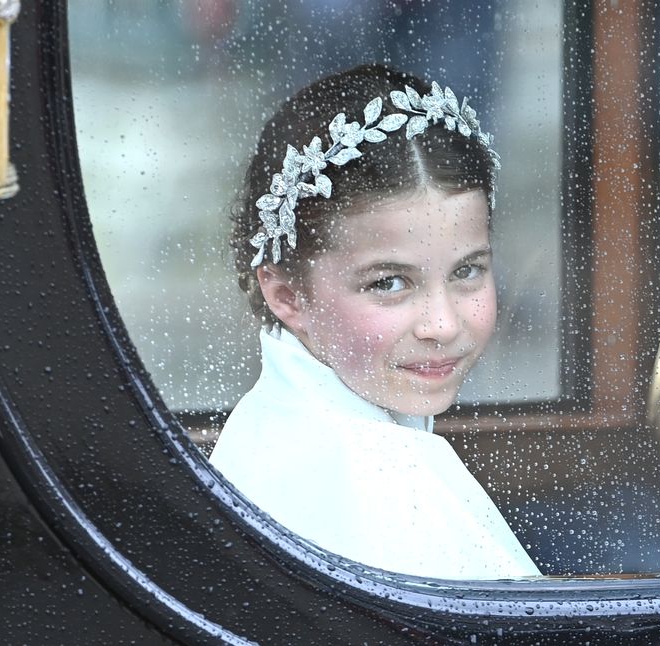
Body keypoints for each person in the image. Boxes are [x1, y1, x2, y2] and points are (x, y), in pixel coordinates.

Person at [209, 64, 540, 579]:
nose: (442, 324)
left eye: (467, 271)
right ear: (287, 294)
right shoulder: (377, 483)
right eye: (389, 283)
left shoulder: (278, 424)